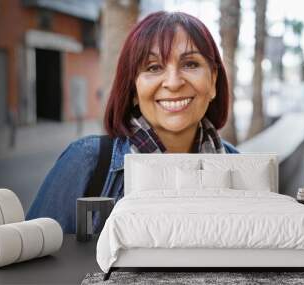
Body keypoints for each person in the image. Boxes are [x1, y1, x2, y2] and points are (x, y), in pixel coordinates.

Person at [26, 11, 239, 233]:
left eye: (190, 64)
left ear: (213, 79)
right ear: (134, 89)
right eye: (154, 67)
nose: (174, 83)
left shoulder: (238, 167)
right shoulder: (86, 161)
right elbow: (34, 257)